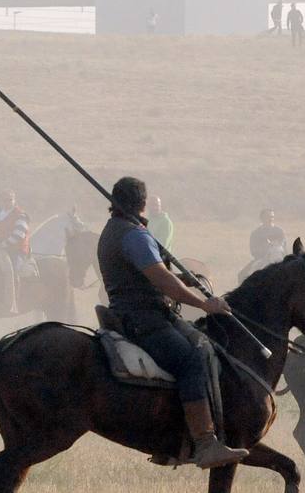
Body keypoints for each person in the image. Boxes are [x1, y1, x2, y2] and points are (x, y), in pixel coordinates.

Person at [98, 176, 248, 469]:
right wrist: (204, 303)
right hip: (147, 318)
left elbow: (143, 274)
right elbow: (161, 280)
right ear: (142, 202)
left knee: (202, 346)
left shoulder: (111, 231)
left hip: (131, 314)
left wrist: (182, 277)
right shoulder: (134, 235)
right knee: (192, 359)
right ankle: (204, 442)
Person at [0, 189, 31, 315]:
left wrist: (3, 244)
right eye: (5, 200)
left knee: (11, 270)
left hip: (17, 250)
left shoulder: (21, 215)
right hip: (2, 248)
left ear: (14, 200)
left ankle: (12, 304)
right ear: (0, 201)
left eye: (10, 199)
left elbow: (19, 234)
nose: (8, 202)